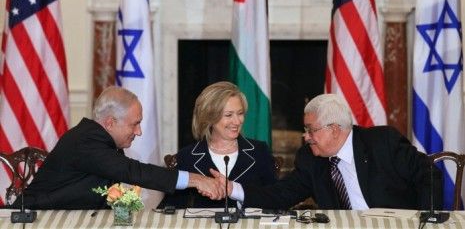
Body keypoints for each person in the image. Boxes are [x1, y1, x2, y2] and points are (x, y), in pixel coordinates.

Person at [212, 93, 443, 210]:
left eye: (310, 130)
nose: (305, 136)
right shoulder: (311, 159)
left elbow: (428, 175)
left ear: (334, 129)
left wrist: (426, 218)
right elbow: (280, 195)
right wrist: (233, 189)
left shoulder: (382, 142)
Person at [15, 86, 223, 210]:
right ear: (110, 123)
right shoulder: (86, 142)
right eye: (134, 124)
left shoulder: (99, 138)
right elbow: (133, 171)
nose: (139, 132)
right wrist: (195, 179)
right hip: (32, 219)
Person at [160, 81, 277, 208]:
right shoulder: (186, 157)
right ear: (209, 117)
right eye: (228, 115)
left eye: (240, 113)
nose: (237, 121)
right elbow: (170, 209)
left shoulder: (259, 152)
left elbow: (275, 200)